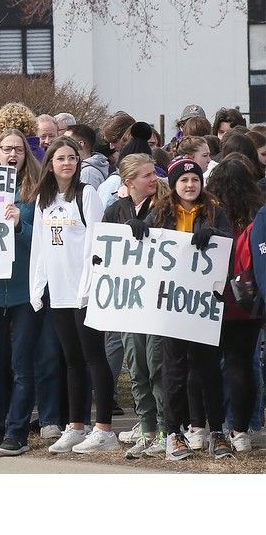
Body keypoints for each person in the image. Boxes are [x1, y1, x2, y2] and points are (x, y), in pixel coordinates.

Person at [29, 137, 117, 454]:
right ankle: (76, 426)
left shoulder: (87, 194)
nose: (67, 163)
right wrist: (37, 287)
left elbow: (97, 241)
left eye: (72, 158)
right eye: (60, 158)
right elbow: (40, 249)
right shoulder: (44, 200)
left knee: (94, 357)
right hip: (60, 293)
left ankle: (104, 429)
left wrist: (88, 286)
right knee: (72, 361)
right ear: (50, 164)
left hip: (85, 292)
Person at [143, 156, 233, 461]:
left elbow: (229, 244)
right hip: (171, 304)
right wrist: (136, 228)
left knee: (209, 370)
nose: (190, 184)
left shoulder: (214, 211)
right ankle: (174, 433)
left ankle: (216, 432)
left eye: (195, 179)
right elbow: (146, 241)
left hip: (204, 305)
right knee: (175, 371)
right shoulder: (161, 212)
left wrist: (215, 235)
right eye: (184, 180)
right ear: (174, 184)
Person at [0, 129, 41, 457]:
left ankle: (17, 432)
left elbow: (43, 243)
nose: (11, 154)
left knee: (21, 364)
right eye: (5, 149)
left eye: (17, 149)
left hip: (25, 290)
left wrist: (20, 226)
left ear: (25, 155)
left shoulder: (36, 193)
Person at [103, 153, 170, 458]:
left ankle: (165, 430)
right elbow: (102, 252)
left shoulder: (165, 208)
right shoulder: (115, 210)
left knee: (157, 365)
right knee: (136, 368)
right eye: (146, 176)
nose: (153, 179)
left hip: (157, 304)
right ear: (128, 182)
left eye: (154, 173)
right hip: (128, 303)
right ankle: (146, 429)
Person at [205, 154, 264, 453]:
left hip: (212, 299)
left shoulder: (211, 214)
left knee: (210, 366)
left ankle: (211, 428)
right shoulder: (258, 214)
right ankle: (241, 430)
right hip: (249, 300)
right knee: (242, 364)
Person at [65, 124, 109, 189]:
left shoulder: (88, 173)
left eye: (67, 141)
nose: (63, 144)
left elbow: (86, 198)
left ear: (80, 144)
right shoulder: (87, 167)